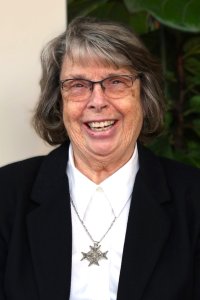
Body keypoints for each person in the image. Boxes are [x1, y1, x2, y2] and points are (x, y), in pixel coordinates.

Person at [0, 16, 200, 300]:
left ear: (144, 96)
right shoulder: (6, 193)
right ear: (58, 100)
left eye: (116, 82)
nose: (97, 100)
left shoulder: (193, 198)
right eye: (78, 85)